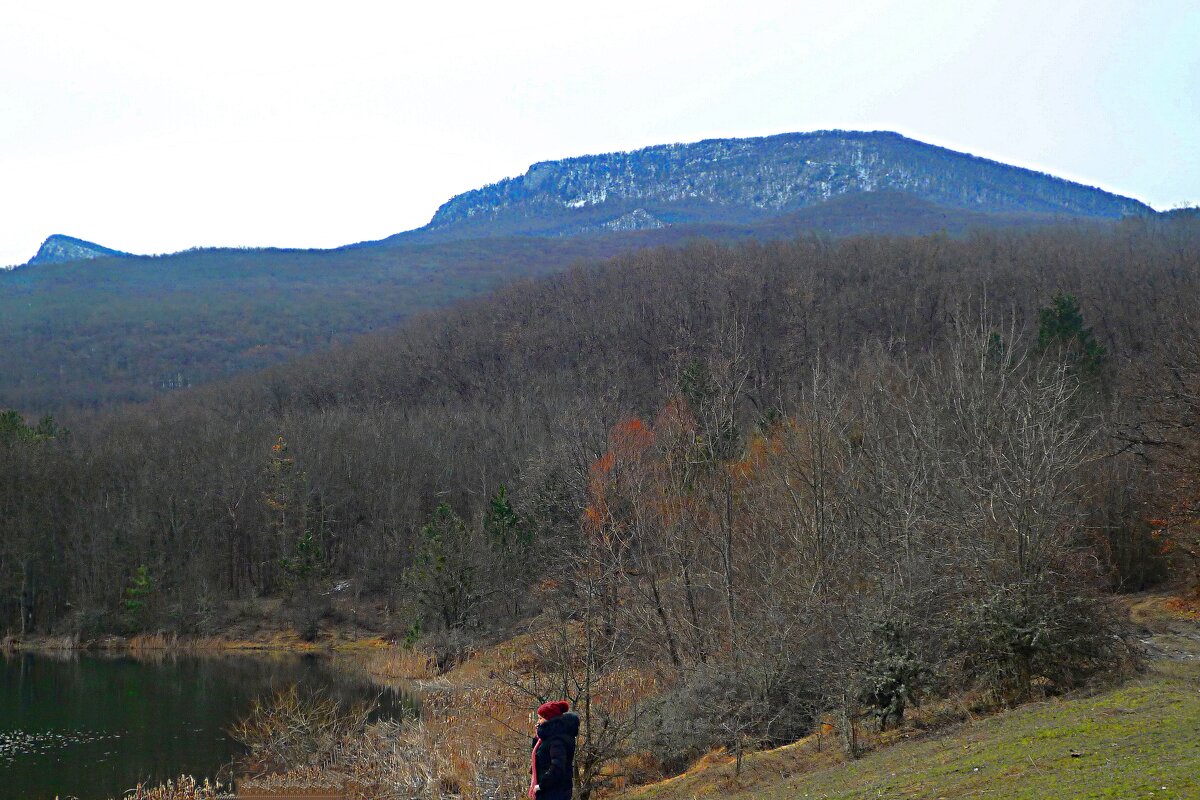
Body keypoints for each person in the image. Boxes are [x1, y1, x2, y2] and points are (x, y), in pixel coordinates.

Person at [528, 699, 579, 800]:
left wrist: (542, 785)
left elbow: (558, 766)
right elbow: (541, 755)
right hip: (553, 791)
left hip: (554, 792)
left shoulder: (556, 740)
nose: (538, 721)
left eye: (540, 718)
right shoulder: (549, 737)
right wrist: (538, 735)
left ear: (549, 720)